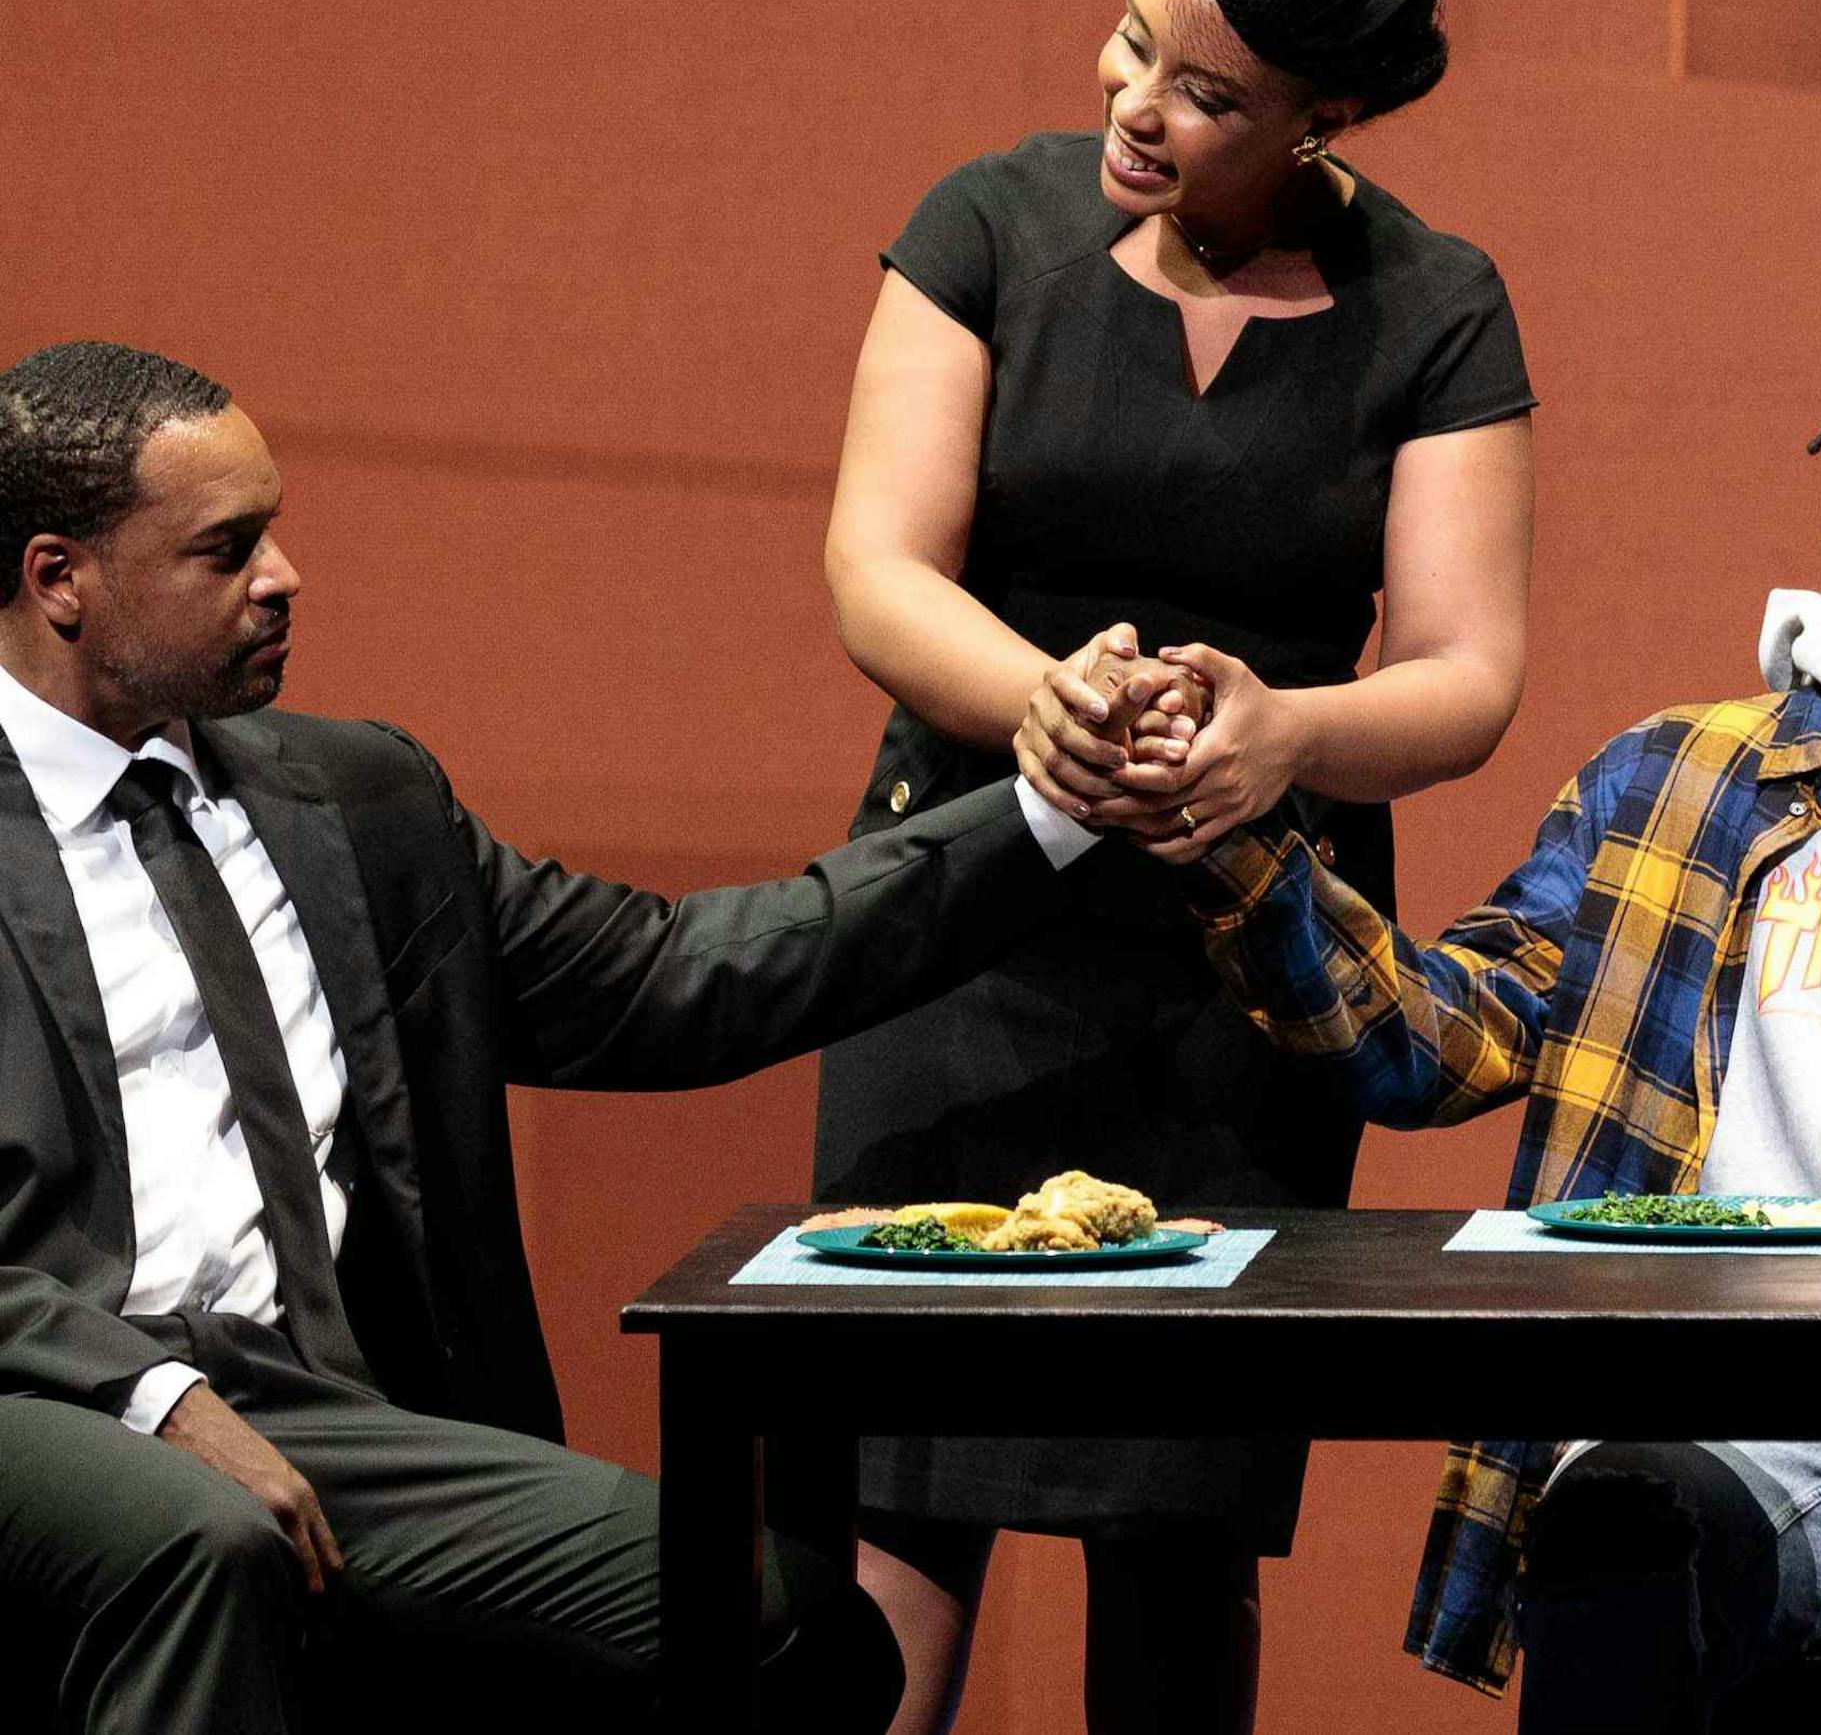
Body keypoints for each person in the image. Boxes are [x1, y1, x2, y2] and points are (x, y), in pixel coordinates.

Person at [0, 339, 1106, 1735]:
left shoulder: (357, 802)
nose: (285, 576)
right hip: (49, 1381)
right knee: (206, 1546)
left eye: (272, 530)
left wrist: (1052, 812)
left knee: (785, 1628)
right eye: (227, 550)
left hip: (324, 1408)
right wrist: (152, 1396)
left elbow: (675, 975)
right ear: (62, 581)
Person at [817, 0, 1535, 1734]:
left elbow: (1467, 675)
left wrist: (1289, 735)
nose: (1137, 107)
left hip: (1251, 959)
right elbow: (879, 568)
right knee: (897, 1490)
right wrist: (1048, 705)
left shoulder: (1437, 307)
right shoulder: (987, 224)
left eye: (1206, 94)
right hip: (962, 918)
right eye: (1133, 45)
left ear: (1329, 114)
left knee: (1177, 1515)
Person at [1179, 333, 1821, 1730]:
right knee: (1617, 1529)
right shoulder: (1684, 783)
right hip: (1741, 1421)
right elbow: (1430, 1042)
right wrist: (1239, 847)